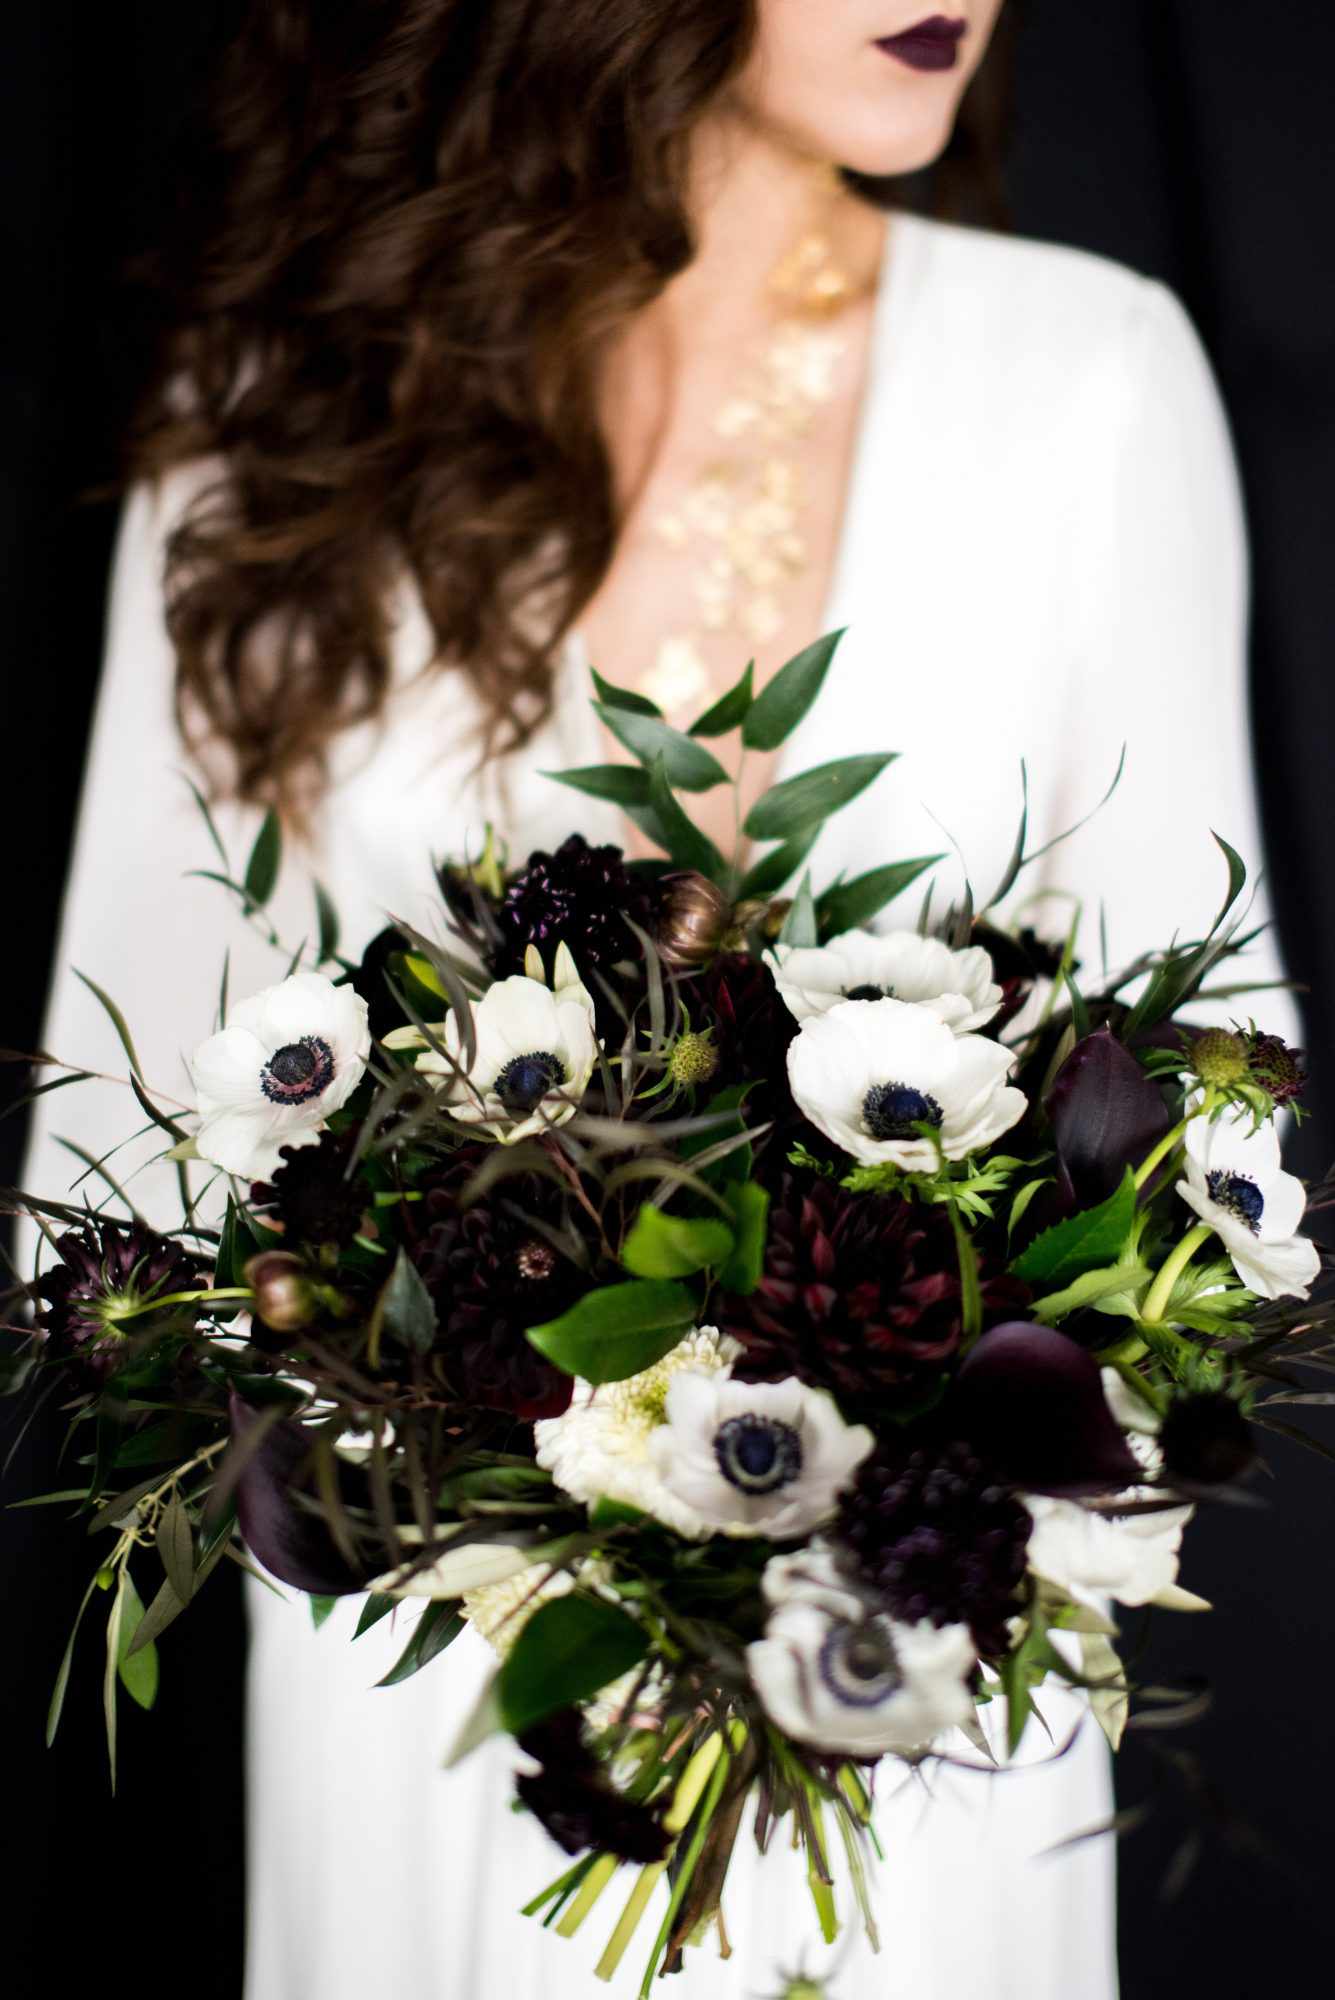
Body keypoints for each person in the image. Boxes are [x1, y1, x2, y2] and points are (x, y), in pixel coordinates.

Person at [21, 3, 1292, 1995]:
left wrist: (906, 1438)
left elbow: (1224, 1107)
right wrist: (445, 1422)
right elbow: (113, 1149)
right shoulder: (270, 415)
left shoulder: (1086, 375)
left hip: (905, 1704)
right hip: (430, 1706)